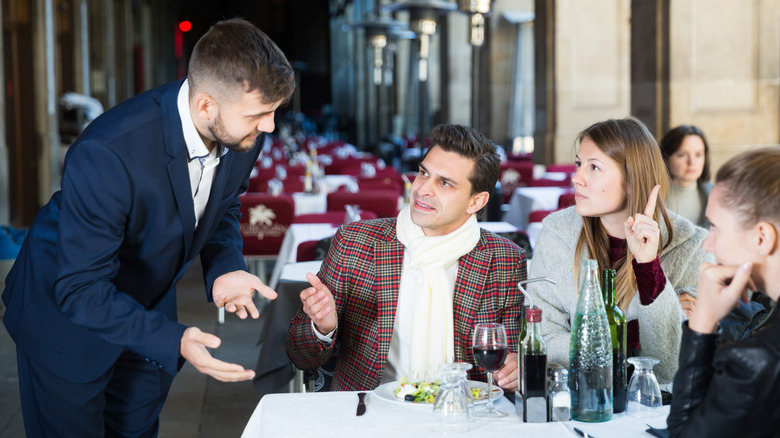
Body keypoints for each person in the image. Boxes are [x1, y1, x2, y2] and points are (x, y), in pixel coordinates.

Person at [2, 18, 294, 437]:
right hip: (65, 316)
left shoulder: (243, 131)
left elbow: (223, 203)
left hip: (146, 303)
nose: (269, 126)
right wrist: (174, 339)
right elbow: (80, 288)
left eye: (273, 110)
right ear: (206, 105)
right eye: (259, 114)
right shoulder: (108, 152)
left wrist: (225, 263)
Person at [285, 124, 526, 391]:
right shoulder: (355, 243)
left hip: (463, 417)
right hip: (371, 415)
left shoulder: (505, 261)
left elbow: (511, 360)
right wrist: (323, 328)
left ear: (476, 202)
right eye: (424, 173)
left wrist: (516, 369)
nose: (422, 189)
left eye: (444, 183)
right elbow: (300, 356)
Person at [524, 118, 712, 384]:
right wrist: (629, 338)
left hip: (652, 413)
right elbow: (542, 338)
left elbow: (668, 364)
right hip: (575, 400)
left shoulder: (693, 246)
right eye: (579, 164)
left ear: (632, 180)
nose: (576, 178)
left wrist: (648, 266)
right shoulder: (557, 232)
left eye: (594, 167)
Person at [667, 147, 780, 437]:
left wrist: (701, 325)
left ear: (762, 237)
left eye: (715, 227)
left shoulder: (755, 361)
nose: (707, 244)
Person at [659, 125, 713, 228]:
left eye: (698, 155)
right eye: (682, 155)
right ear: (666, 158)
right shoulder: (651, 197)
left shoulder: (716, 196)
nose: (691, 162)